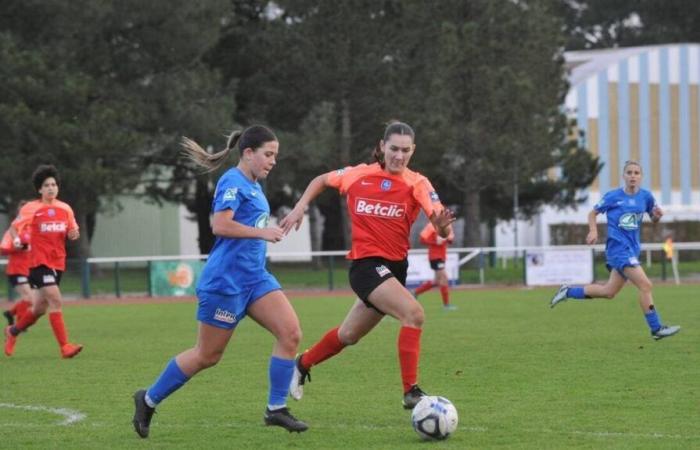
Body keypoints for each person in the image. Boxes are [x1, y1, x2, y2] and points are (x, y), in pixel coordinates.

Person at [132, 125, 308, 439]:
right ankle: (147, 399)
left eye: (275, 155)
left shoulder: (254, 184)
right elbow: (220, 225)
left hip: (255, 279)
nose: (273, 161)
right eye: (268, 154)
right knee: (207, 355)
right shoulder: (232, 180)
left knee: (290, 332)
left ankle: (276, 408)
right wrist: (262, 232)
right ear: (248, 153)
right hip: (225, 283)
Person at [280, 121, 455, 409]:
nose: (399, 156)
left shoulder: (418, 183)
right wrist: (300, 206)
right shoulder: (357, 175)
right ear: (383, 146)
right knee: (414, 314)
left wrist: (442, 228)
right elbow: (321, 180)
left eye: (405, 150)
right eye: (394, 149)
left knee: (348, 335)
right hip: (365, 266)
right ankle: (411, 391)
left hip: (395, 270)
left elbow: (442, 228)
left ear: (413, 151)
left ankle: (301, 364)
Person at [549, 160, 681, 340]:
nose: (633, 176)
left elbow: (653, 216)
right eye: (629, 173)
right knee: (645, 285)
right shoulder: (613, 196)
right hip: (618, 250)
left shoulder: (646, 197)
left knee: (608, 292)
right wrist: (593, 230)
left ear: (641, 176)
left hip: (632, 250)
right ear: (623, 176)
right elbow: (592, 213)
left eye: (636, 173)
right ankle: (656, 328)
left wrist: (657, 217)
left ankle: (568, 291)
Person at [4, 165, 83, 358]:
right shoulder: (31, 208)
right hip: (38, 263)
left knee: (39, 308)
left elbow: (73, 231)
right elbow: (14, 228)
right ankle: (65, 347)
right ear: (40, 189)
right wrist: (16, 240)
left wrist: (73, 234)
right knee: (56, 300)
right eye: (46, 185)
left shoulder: (65, 208)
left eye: (54, 184)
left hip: (58, 263)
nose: (51, 188)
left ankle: (13, 331)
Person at [1, 201, 34, 326]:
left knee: (32, 300)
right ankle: (19, 324)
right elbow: (3, 249)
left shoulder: (33, 228)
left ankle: (10, 313)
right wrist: (18, 248)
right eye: (22, 210)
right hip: (16, 270)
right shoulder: (13, 230)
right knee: (29, 298)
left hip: (31, 269)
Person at [412, 221, 456, 310]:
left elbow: (451, 240)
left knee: (436, 281)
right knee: (444, 279)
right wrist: (435, 241)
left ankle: (415, 292)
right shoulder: (432, 226)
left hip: (441, 257)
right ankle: (446, 305)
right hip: (435, 257)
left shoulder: (446, 226)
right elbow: (422, 239)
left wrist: (447, 239)